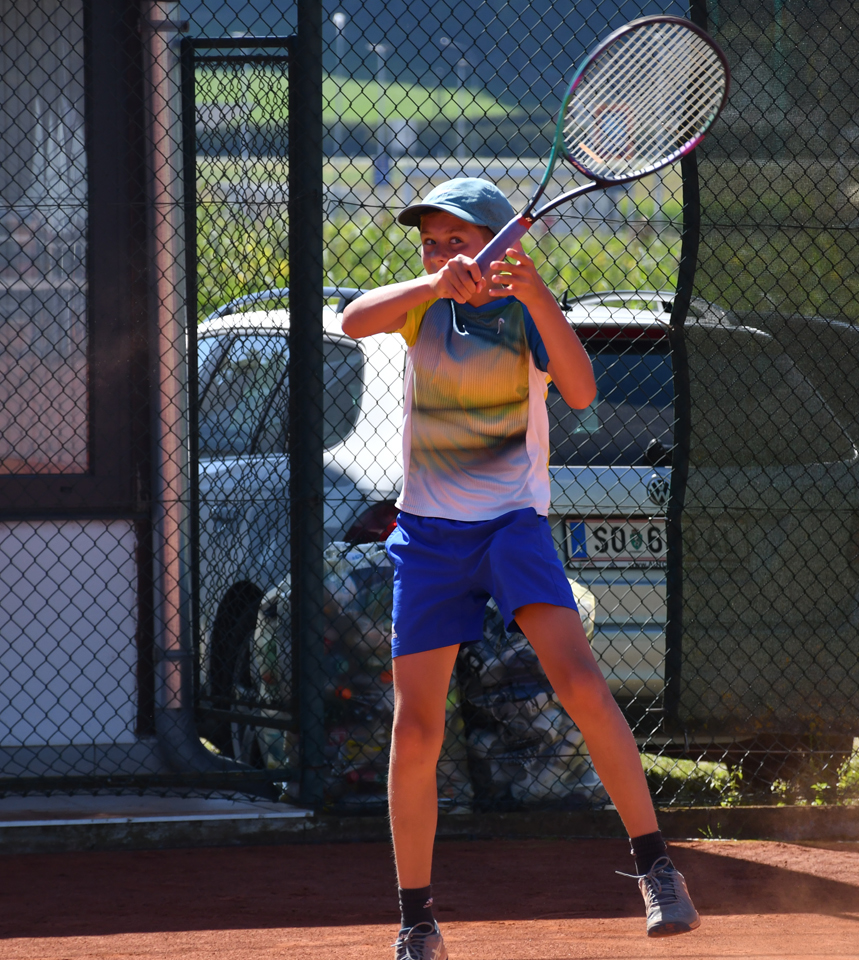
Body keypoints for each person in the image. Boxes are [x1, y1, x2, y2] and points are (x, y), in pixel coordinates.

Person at [341, 178, 701, 960]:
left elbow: (582, 389)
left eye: (457, 240)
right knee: (417, 726)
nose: (441, 253)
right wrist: (431, 283)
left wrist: (537, 297)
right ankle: (417, 922)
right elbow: (352, 318)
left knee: (579, 682)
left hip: (512, 528)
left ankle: (657, 870)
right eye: (430, 243)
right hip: (430, 539)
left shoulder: (524, 313)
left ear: (500, 246)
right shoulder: (423, 307)